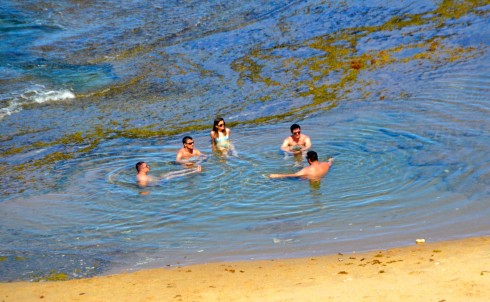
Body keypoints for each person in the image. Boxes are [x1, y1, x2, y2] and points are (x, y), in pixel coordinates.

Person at [269, 151, 333, 180]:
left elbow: (293, 175)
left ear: (309, 159)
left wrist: (277, 175)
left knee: (300, 178)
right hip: (320, 179)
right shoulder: (325, 164)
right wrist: (330, 159)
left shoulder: (306, 170)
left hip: (311, 180)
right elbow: (330, 162)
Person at [136, 161, 201, 187]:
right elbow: (144, 186)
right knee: (175, 175)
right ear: (142, 169)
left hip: (160, 178)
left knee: (171, 173)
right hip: (161, 181)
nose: (148, 167)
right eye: (147, 166)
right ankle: (195, 171)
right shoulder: (142, 178)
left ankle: (192, 169)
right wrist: (161, 184)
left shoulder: (140, 175)